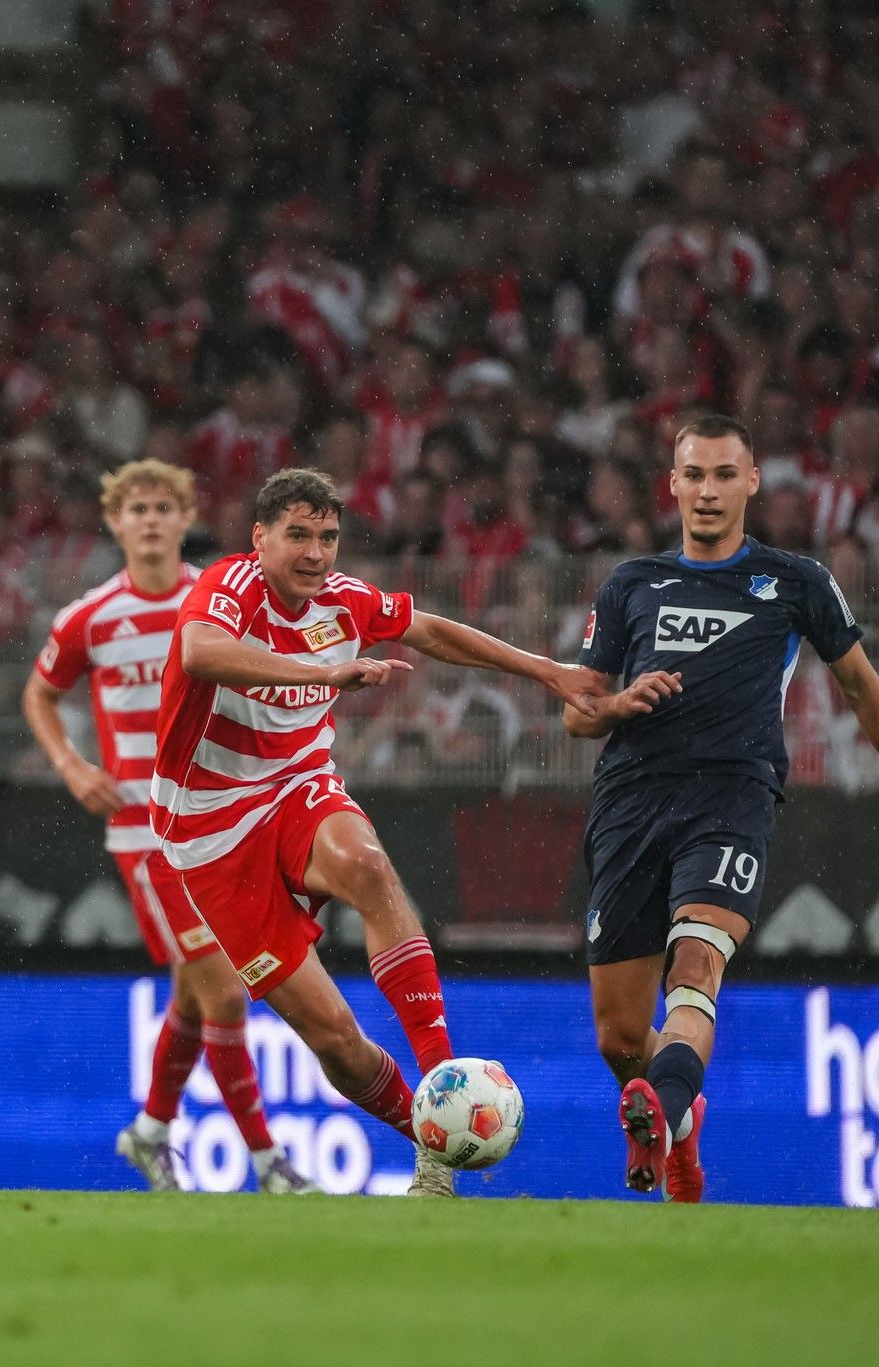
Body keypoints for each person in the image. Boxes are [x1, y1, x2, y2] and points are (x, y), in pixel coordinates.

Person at [151, 467, 606, 1197]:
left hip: (296, 788)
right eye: (297, 534)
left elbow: (428, 629)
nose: (315, 552)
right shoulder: (228, 588)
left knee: (367, 865)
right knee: (333, 1037)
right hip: (207, 834)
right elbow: (201, 653)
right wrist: (322, 672)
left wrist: (546, 670)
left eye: (327, 536)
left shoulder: (344, 599)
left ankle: (442, 1082)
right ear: (259, 538)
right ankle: (432, 1140)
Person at [566, 414, 879, 1202]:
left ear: (752, 481)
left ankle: (660, 1117)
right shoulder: (632, 582)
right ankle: (680, 1117)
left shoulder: (794, 579)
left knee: (696, 966)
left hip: (732, 797)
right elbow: (578, 709)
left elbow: (862, 689)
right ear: (671, 484)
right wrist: (620, 701)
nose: (707, 490)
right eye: (693, 474)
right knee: (620, 1035)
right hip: (631, 802)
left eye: (723, 474)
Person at [23, 459, 312, 1194]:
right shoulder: (89, 617)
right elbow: (40, 693)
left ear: (185, 518)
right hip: (146, 837)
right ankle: (267, 1161)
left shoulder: (215, 600)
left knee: (194, 992)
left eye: (163, 507)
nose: (150, 519)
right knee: (223, 990)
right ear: (115, 522)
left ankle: (150, 1131)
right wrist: (70, 764)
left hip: (222, 821)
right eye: (136, 508)